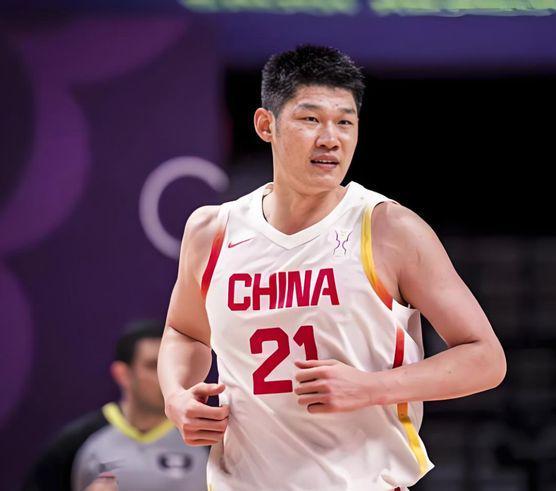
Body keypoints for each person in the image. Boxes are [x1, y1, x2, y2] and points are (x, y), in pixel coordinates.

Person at [157, 44, 507, 491]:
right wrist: (175, 397)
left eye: (345, 122)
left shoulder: (389, 228)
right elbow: (184, 332)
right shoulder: (212, 230)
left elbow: (485, 359)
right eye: (310, 119)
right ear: (266, 125)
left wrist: (370, 387)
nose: (330, 138)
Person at [23, 320, 208, 491]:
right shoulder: (76, 443)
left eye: (170, 367)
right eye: (153, 366)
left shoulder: (206, 439)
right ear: (123, 374)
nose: (165, 377)